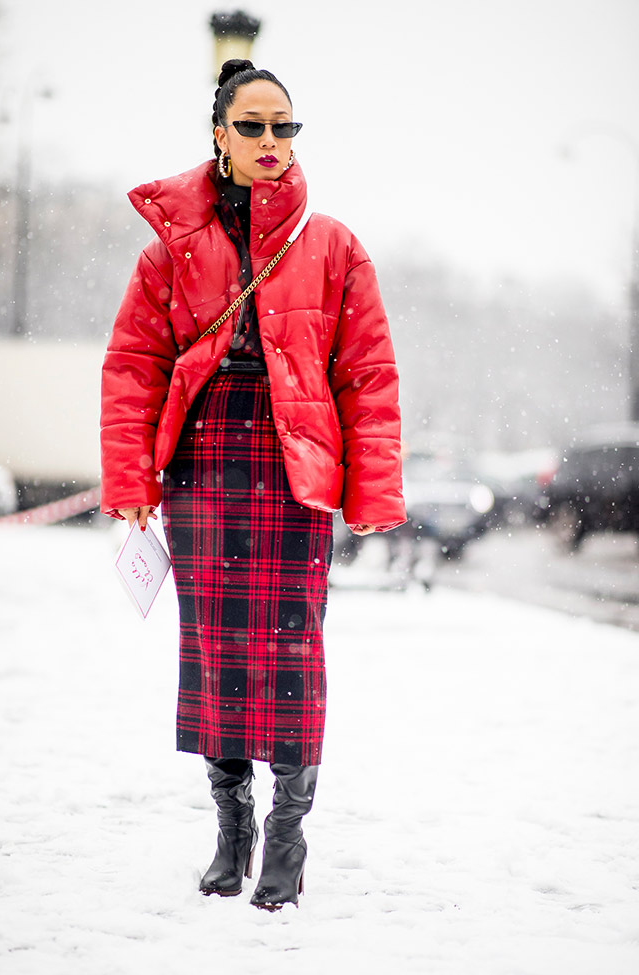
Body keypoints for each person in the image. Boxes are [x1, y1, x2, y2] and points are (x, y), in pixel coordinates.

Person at [100, 59, 406, 911]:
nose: (272, 141)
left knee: (290, 657)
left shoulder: (334, 244)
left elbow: (367, 376)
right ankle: (230, 829)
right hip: (201, 468)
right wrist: (131, 479)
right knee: (213, 659)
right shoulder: (170, 246)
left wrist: (373, 490)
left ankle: (287, 835)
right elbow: (133, 367)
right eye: (254, 126)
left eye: (285, 126)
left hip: (293, 469)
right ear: (219, 134)